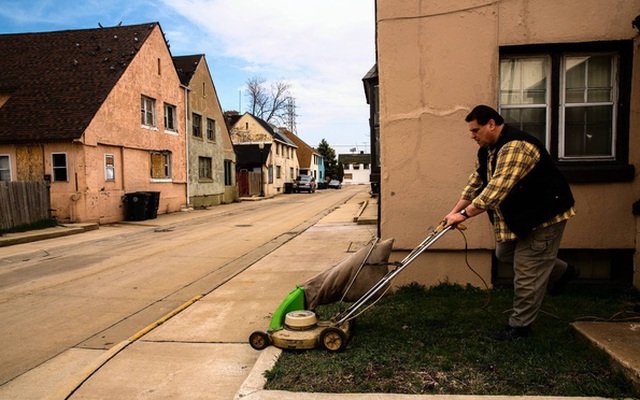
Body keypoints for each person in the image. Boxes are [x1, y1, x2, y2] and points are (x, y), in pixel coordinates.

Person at [443, 105, 579, 341]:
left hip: (544, 215)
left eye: (475, 130)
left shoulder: (515, 147)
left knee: (528, 270)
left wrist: (464, 216)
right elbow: (476, 184)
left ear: (491, 125)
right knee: (505, 253)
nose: (472, 136)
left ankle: (519, 328)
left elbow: (495, 190)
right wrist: (452, 213)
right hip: (523, 216)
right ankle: (564, 272)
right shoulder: (488, 150)